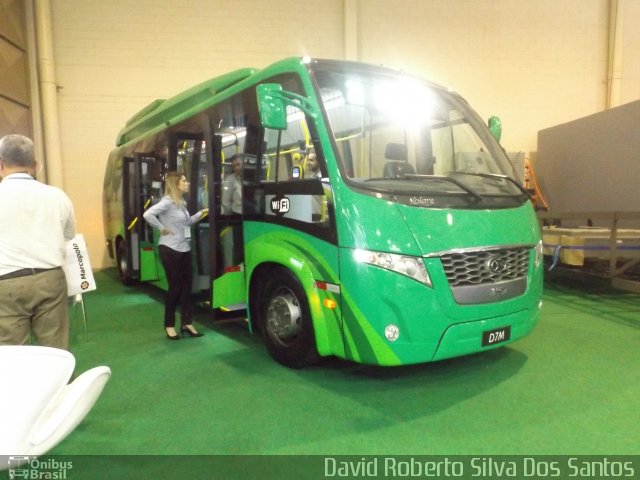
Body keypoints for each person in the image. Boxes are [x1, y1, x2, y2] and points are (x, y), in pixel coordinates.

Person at [0, 134, 76, 350]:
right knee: (55, 350)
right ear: (35, 165)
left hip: (5, 283)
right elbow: (69, 235)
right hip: (49, 278)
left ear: (0, 163)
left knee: (10, 355)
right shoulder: (57, 196)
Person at [143, 172, 208, 340]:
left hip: (184, 249)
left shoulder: (181, 204)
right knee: (175, 288)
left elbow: (186, 223)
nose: (187, 183)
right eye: (184, 181)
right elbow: (147, 214)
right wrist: (160, 228)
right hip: (170, 250)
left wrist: (201, 213)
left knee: (187, 288)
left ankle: (187, 323)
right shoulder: (167, 202)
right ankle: (169, 325)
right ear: (175, 184)